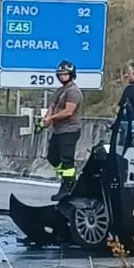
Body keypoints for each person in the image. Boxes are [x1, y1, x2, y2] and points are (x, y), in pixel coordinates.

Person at [36, 59, 84, 201]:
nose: (62, 76)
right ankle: (67, 178)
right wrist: (46, 118)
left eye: (65, 74)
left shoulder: (74, 92)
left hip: (69, 130)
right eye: (60, 74)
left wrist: (52, 118)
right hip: (58, 130)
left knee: (67, 160)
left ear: (71, 74)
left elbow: (68, 111)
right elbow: (52, 105)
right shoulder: (60, 91)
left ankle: (68, 186)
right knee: (52, 157)